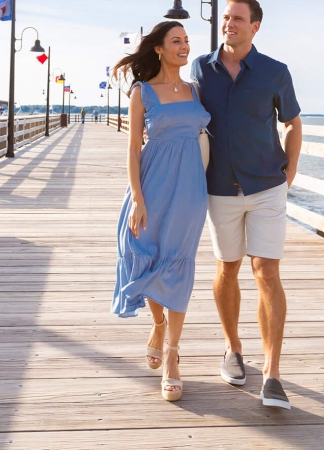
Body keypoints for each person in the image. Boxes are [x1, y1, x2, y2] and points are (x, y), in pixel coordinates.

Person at [190, 0, 302, 411]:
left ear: (256, 26)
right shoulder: (201, 67)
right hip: (219, 187)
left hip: (266, 187)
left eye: (238, 18)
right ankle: (233, 349)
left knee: (266, 271)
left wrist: (289, 173)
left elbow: (292, 123)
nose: (229, 24)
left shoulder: (275, 72)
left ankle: (272, 374)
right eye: (225, 18)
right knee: (227, 268)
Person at [111, 21, 210, 401]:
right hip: (151, 183)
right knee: (146, 254)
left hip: (189, 188)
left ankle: (172, 354)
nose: (184, 46)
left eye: (186, 41)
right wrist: (137, 197)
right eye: (176, 41)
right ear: (158, 48)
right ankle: (157, 323)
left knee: (177, 261)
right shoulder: (142, 92)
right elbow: (133, 148)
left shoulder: (195, 89)